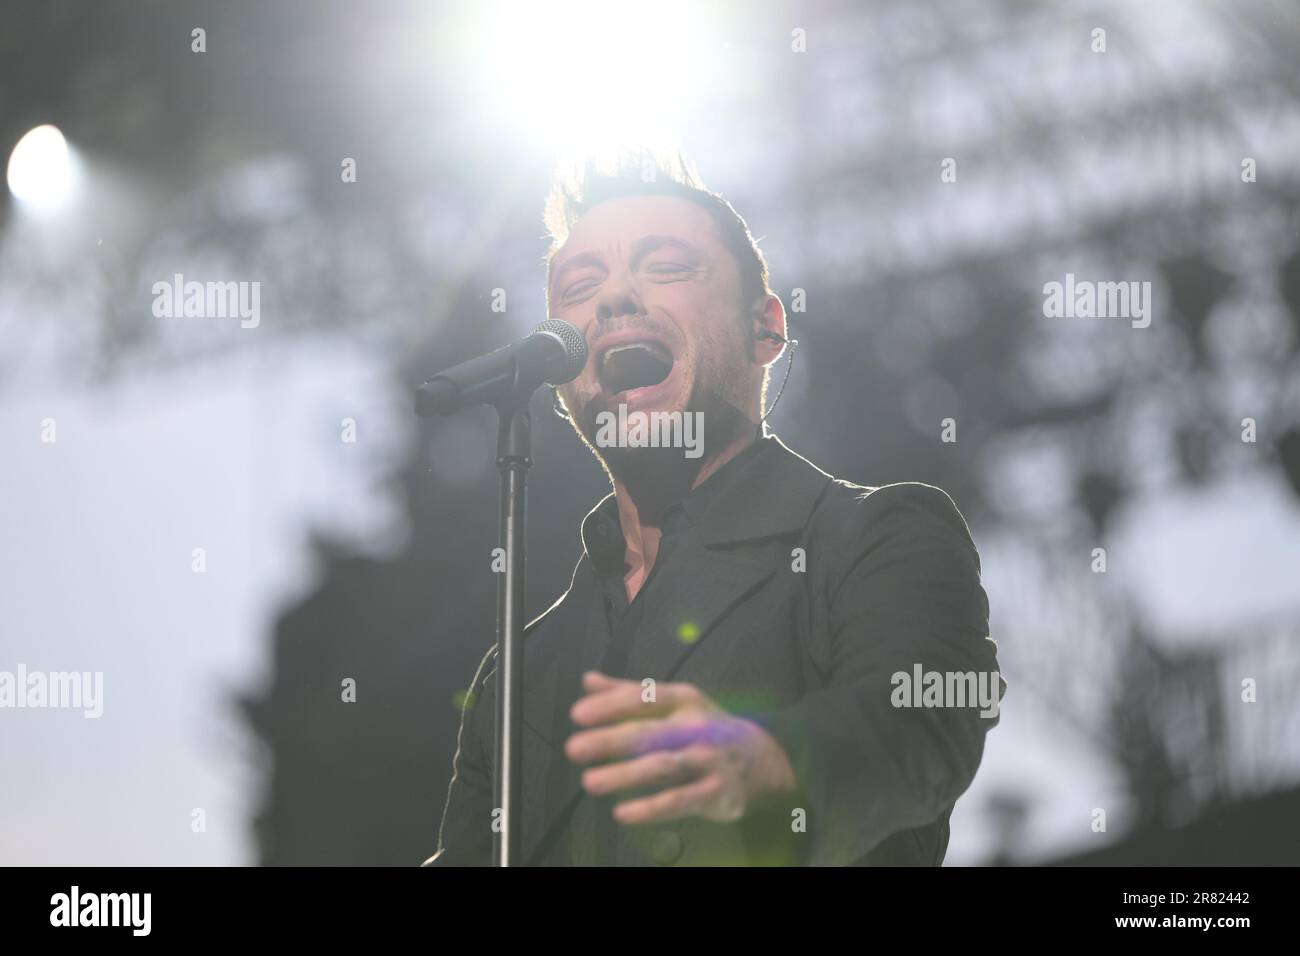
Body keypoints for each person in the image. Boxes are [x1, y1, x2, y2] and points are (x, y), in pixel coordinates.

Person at [423, 147, 1003, 866]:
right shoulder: (517, 669)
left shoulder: (872, 536)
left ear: (766, 327)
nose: (612, 300)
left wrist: (773, 766)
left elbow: (923, 724)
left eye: (664, 267)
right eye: (579, 285)